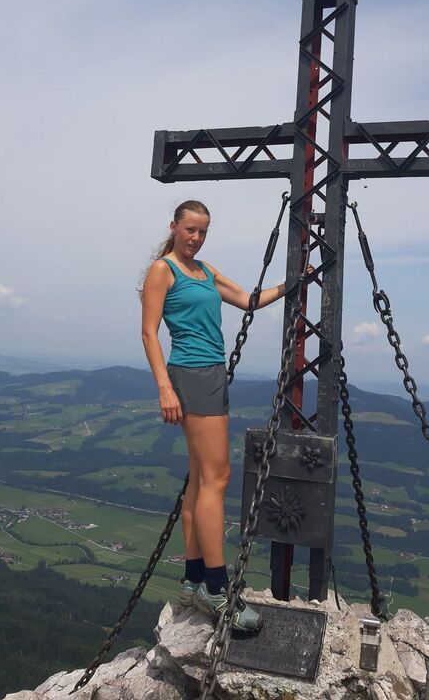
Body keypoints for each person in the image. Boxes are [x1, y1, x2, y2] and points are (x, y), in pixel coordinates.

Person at [140, 199, 286, 632]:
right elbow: (148, 332)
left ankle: (193, 580)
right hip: (192, 373)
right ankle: (217, 589)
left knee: (201, 479)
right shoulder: (163, 270)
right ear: (174, 227)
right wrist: (164, 387)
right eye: (190, 229)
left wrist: (292, 284)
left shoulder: (205, 270)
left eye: (203, 231)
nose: (196, 238)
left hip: (210, 374)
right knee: (217, 478)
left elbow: (248, 300)